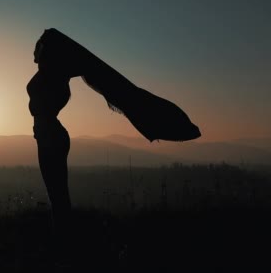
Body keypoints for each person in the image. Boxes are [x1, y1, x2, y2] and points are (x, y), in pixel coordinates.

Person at [27, 28, 201, 238]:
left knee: (57, 194)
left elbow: (56, 47)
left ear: (48, 51)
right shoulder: (53, 74)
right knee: (57, 193)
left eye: (38, 46)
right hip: (49, 135)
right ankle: (64, 238)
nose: (34, 51)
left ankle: (64, 240)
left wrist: (50, 39)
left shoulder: (53, 74)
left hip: (51, 137)